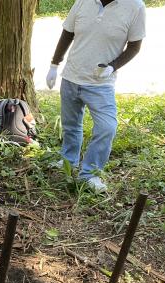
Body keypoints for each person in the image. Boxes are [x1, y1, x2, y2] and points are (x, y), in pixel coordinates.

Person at [45, 0, 146, 193]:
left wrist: (113, 66)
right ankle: (69, 161)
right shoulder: (83, 2)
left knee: (107, 127)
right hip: (71, 77)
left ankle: (90, 173)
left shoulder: (135, 7)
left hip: (100, 83)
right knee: (71, 126)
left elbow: (134, 46)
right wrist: (54, 65)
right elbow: (67, 33)